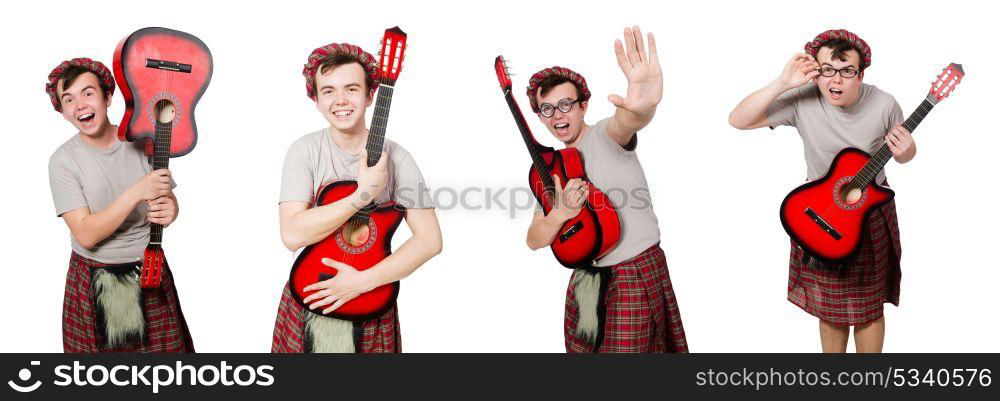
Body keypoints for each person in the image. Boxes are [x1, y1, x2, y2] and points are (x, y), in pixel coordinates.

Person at [729, 29, 914, 353]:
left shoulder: (885, 103)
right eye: (827, 69)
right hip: (819, 213)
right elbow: (738, 120)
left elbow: (904, 153)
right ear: (816, 71)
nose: (836, 80)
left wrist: (906, 151)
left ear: (861, 74)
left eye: (846, 71)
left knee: (870, 308)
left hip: (869, 213)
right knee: (831, 310)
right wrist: (783, 82)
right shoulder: (802, 99)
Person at [524, 26, 687, 352]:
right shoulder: (549, 170)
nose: (558, 115)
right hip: (587, 280)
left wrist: (641, 105)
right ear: (540, 116)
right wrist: (560, 214)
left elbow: (627, 121)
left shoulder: (604, 137)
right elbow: (534, 239)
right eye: (547, 109)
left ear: (583, 105)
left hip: (632, 274)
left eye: (566, 104)